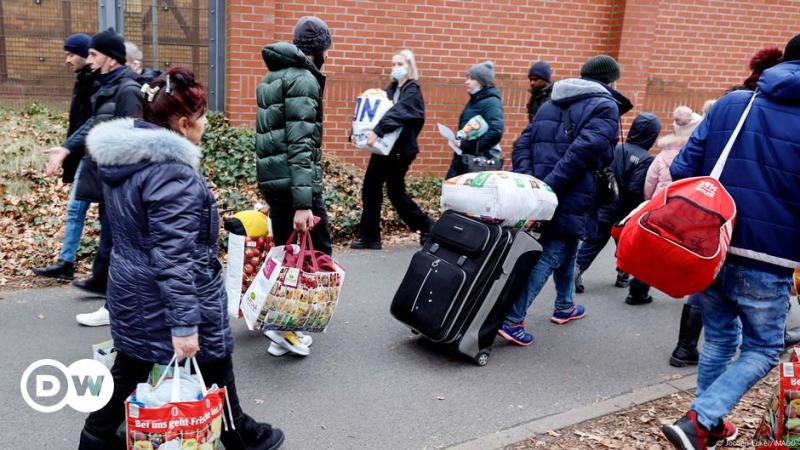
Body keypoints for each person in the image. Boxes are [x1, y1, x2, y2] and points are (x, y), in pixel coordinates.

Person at [77, 67, 284, 450]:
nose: (207, 123)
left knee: (131, 366)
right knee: (212, 359)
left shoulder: (127, 159)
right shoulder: (172, 175)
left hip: (132, 286)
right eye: (203, 116)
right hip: (169, 294)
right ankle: (238, 433)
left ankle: (95, 438)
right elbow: (174, 256)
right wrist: (185, 326)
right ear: (185, 123)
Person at [661, 34, 800, 450]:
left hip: (711, 247)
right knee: (762, 347)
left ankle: (708, 428)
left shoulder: (733, 103)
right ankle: (700, 420)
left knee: (720, 339)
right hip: (770, 255)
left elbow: (683, 167)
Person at [499, 55, 626, 346]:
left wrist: (531, 182)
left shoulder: (551, 102)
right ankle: (512, 319)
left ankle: (565, 306)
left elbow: (522, 144)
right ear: (611, 79)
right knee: (552, 251)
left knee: (568, 246)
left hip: (547, 189)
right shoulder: (605, 106)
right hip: (571, 193)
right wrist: (548, 188)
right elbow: (583, 154)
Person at [44, 28, 143, 327]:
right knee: (111, 242)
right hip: (110, 180)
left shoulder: (128, 90)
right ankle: (113, 302)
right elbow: (94, 123)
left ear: (111, 59)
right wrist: (66, 148)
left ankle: (117, 309)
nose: (89, 59)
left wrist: (122, 181)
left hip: (121, 181)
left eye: (94, 54)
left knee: (119, 245)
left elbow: (133, 140)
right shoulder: (109, 87)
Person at [255, 16, 332, 355]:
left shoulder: (273, 77)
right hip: (298, 187)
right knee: (317, 253)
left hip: (278, 182)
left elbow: (269, 141)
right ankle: (287, 326)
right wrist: (304, 203)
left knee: (288, 252)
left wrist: (272, 192)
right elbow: (301, 144)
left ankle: (283, 330)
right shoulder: (303, 80)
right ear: (320, 49)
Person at [350, 49, 433, 250]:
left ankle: (427, 226)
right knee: (371, 188)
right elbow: (376, 113)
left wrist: (378, 130)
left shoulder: (412, 91)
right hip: (386, 149)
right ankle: (370, 236)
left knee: (395, 192)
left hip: (400, 150)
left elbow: (399, 113)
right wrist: (358, 132)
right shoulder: (392, 88)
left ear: (409, 67)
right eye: (393, 64)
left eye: (400, 64)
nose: (395, 68)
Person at [573, 113, 660, 297]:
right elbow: (635, 188)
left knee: (595, 239)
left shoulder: (616, 147)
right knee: (625, 243)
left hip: (601, 203)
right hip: (624, 210)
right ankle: (623, 274)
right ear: (652, 136)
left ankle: (577, 269)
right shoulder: (646, 159)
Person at [33, 33, 97, 280]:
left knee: (80, 210)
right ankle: (67, 262)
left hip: (92, 156)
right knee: (78, 210)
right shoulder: (84, 80)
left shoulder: (94, 82)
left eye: (71, 55)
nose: (67, 60)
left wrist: (68, 150)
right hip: (83, 154)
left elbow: (93, 122)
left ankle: (68, 263)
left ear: (85, 55)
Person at [445, 61, 505, 178]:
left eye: (471, 79)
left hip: (476, 161)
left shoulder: (491, 102)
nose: (466, 82)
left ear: (481, 82)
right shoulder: (476, 100)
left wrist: (469, 146)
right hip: (465, 157)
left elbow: (496, 131)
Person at [643, 106, 702, 200]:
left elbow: (650, 182)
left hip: (660, 201)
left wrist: (649, 199)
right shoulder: (700, 156)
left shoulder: (662, 155)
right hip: (686, 204)